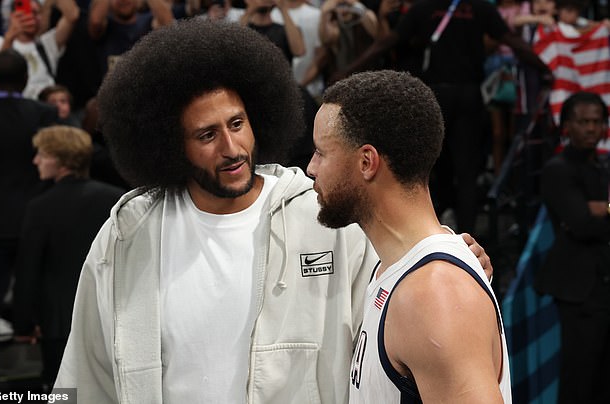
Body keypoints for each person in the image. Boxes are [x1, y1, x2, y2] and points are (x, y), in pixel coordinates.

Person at [54, 19, 492, 403]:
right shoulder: (127, 235)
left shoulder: (325, 215)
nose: (232, 148)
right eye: (207, 135)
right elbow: (83, 378)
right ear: (169, 145)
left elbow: (411, 278)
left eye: (237, 124)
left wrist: (452, 256)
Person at [306, 70, 511, 402]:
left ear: (366, 162)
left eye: (320, 152)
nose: (310, 168)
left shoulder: (433, 294)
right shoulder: (400, 269)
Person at [334, 0, 552, 233]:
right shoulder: (480, 8)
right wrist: (545, 69)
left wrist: (347, 72)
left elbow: (387, 43)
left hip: (434, 97)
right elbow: (514, 42)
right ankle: (468, 240)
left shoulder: (423, 8)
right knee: (467, 171)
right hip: (469, 96)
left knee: (429, 166)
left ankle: (429, 232)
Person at [13, 125, 124, 391]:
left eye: (42, 154)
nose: (35, 160)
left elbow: (28, 271)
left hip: (59, 323)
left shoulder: (40, 207)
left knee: (64, 394)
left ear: (61, 158)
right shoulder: (115, 199)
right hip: (111, 314)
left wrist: (23, 324)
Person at [0, 48, 58, 392]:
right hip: (34, 225)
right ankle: (55, 388)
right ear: (26, 80)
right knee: (50, 307)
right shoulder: (44, 113)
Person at [534, 91, 610, 404]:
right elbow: (581, 224)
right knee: (579, 378)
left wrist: (601, 207)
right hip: (579, 291)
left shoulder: (602, 167)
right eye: (583, 122)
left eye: (597, 122)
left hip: (604, 285)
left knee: (604, 380)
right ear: (567, 125)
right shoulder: (557, 169)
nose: (591, 128)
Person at [0, 0, 80, 99]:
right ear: (12, 15)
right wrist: (11, 34)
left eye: (35, 13)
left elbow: (72, 16)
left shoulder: (47, 43)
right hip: (16, 107)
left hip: (45, 108)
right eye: (26, 12)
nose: (31, 16)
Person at [88, 0, 174, 78]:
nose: (124, 1)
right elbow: (96, 21)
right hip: (113, 93)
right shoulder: (104, 27)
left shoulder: (148, 22)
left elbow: (168, 24)